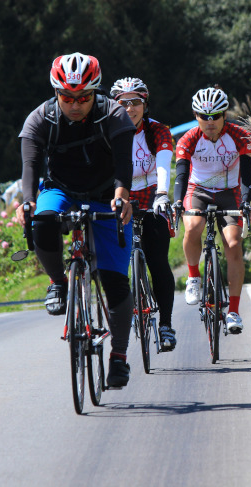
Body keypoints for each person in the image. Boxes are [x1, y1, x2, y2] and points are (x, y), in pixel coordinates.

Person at [16, 52, 135, 388]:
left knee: (115, 284)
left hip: (105, 193)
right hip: (61, 189)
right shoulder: (41, 119)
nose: (75, 105)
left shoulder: (113, 114)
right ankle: (58, 282)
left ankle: (120, 356)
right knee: (42, 216)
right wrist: (26, 202)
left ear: (95, 93)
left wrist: (122, 195)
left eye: (83, 98)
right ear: (56, 94)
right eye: (66, 98)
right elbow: (30, 167)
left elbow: (124, 167)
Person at [173, 87, 251, 333]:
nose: (210, 122)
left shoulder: (240, 136)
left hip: (230, 193)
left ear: (224, 114)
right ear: (196, 116)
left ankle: (234, 312)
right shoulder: (187, 139)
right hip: (198, 191)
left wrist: (246, 201)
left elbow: (247, 177)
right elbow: (181, 176)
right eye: (203, 116)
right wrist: (178, 202)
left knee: (233, 243)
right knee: (194, 226)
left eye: (215, 116)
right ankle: (194, 277)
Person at [110, 76, 177, 351]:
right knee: (111, 265)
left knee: (158, 261)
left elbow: (163, 163)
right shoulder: (108, 131)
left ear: (145, 104)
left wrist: (162, 194)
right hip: (120, 197)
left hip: (151, 195)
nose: (130, 108)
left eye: (135, 102)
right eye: (123, 103)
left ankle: (166, 324)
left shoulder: (157, 131)